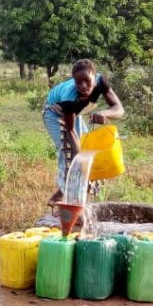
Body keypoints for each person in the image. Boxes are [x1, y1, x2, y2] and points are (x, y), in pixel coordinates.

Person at [42, 59, 124, 205]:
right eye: (78, 82)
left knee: (87, 148)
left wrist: (105, 113)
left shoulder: (101, 82)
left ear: (94, 75)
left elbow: (119, 109)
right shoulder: (69, 97)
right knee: (68, 152)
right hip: (54, 112)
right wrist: (80, 162)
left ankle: (72, 191)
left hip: (74, 113)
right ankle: (67, 196)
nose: (82, 86)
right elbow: (70, 131)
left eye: (87, 80)